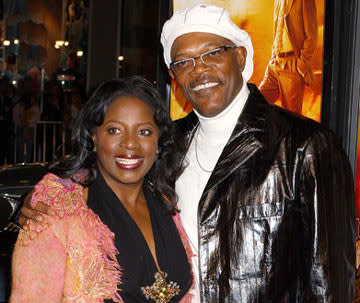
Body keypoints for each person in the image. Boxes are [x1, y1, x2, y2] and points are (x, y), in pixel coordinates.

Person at [18, 4, 355, 302]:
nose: (199, 69)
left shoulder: (305, 145)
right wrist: (29, 205)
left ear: (239, 57)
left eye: (212, 53)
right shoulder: (168, 144)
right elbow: (98, 172)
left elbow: (329, 277)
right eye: (184, 61)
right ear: (174, 76)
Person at [10, 76, 193, 302]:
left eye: (144, 131)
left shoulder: (168, 203)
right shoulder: (55, 212)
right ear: (94, 137)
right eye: (115, 130)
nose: (130, 144)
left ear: (159, 141)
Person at [259, 0, 318, 114]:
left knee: (290, 121)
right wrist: (273, 56)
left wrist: (301, 63)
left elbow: (312, 34)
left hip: (292, 65)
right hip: (275, 63)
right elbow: (277, 29)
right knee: (254, 105)